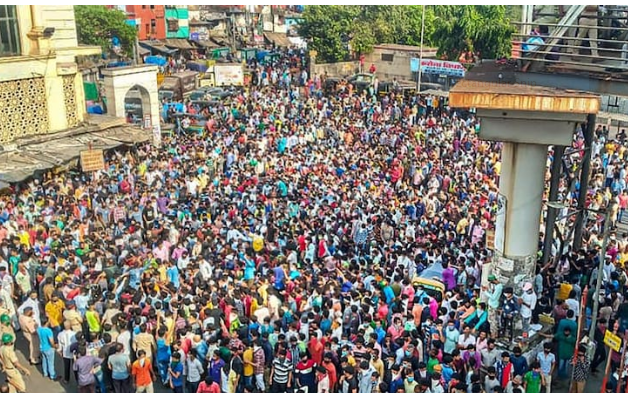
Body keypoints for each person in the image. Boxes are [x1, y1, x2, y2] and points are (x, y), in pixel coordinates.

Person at [37, 316, 58, 381]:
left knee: (44, 360)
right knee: (50, 362)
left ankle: (45, 373)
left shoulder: (39, 329)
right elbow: (51, 341)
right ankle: (52, 375)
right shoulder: (48, 331)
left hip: (42, 347)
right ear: (46, 322)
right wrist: (54, 346)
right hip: (48, 348)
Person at [58, 319, 77, 384]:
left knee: (66, 367)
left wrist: (60, 351)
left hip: (65, 352)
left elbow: (60, 344)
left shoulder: (60, 334)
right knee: (75, 367)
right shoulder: (74, 334)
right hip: (73, 353)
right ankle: (77, 379)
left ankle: (66, 379)